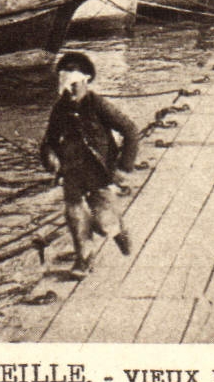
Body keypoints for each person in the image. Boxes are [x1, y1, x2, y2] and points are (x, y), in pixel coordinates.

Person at [40, 51, 140, 275]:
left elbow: (130, 130)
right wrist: (51, 160)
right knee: (76, 216)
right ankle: (83, 260)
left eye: (75, 85)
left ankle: (117, 230)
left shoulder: (98, 104)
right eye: (66, 86)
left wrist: (124, 168)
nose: (70, 91)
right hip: (73, 170)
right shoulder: (61, 108)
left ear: (86, 81)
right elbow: (49, 141)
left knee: (104, 222)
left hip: (99, 170)